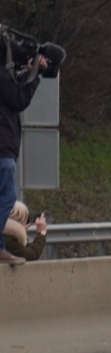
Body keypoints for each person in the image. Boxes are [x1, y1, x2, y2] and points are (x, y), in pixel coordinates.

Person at [0, 33, 47, 253]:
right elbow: (18, 99)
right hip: (3, 150)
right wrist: (35, 76)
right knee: (6, 199)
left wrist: (28, 71)